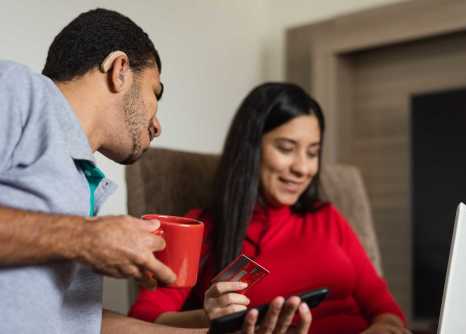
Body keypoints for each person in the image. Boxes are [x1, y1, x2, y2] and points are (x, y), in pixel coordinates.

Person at [0, 9, 309, 334]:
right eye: (154, 93)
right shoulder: (17, 89)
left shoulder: (83, 182)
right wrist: (87, 237)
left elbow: (83, 322)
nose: (157, 125)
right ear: (120, 70)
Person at [129, 82, 411, 334]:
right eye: (287, 148)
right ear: (251, 150)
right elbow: (144, 319)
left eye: (312, 153)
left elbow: (386, 310)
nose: (302, 168)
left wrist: (386, 327)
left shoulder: (326, 217)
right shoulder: (199, 228)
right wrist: (207, 318)